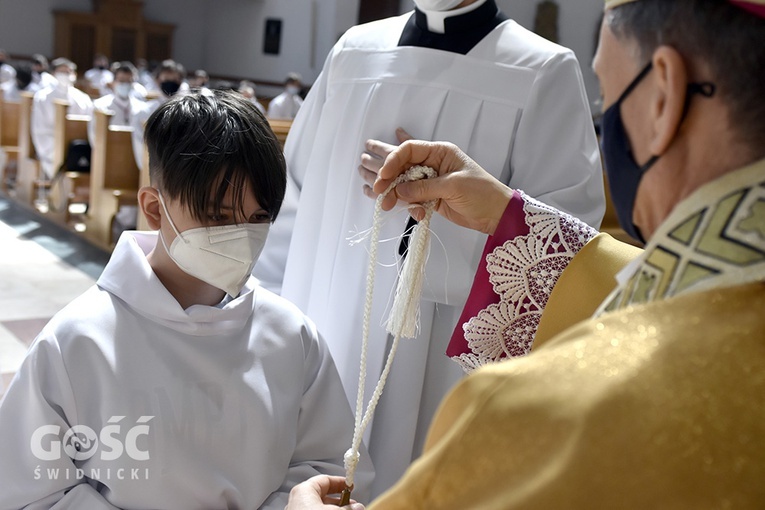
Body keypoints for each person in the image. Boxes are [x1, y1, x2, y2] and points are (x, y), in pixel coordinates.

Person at [285, 0, 765, 507]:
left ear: (663, 94)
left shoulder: (536, 419)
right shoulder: (353, 51)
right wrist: (503, 217)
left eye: (610, 94)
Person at [255, 0, 605, 496]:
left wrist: (447, 220)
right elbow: (290, 194)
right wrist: (271, 322)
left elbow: (562, 249)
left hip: (440, 355)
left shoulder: (542, 70)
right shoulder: (354, 53)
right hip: (327, 321)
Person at [0, 90, 373, 509]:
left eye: (257, 219)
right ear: (154, 209)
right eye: (218, 217)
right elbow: (32, 492)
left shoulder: (291, 334)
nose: (242, 237)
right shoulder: (76, 342)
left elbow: (325, 467)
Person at [31, 57, 94, 179]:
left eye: (68, 72)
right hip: (51, 147)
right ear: (54, 74)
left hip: (77, 148)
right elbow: (39, 129)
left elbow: (88, 127)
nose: (65, 75)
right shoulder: (42, 97)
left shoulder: (83, 98)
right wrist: (58, 149)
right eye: (62, 72)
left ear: (74, 74)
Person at [88, 62, 146, 148]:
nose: (125, 85)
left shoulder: (142, 108)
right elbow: (94, 135)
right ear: (113, 82)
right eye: (122, 81)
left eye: (129, 81)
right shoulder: (100, 106)